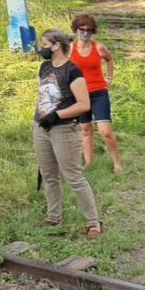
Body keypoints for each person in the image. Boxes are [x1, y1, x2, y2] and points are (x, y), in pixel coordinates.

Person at [33, 28, 102, 237]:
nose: (41, 49)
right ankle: (54, 215)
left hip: (64, 129)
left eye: (45, 45)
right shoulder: (44, 67)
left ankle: (94, 222)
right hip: (41, 127)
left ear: (56, 46)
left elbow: (83, 104)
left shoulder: (73, 71)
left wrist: (57, 115)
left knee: (73, 176)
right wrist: (42, 118)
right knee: (48, 175)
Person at [69, 12, 123, 173]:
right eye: (82, 29)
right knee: (85, 129)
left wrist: (110, 76)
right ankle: (89, 162)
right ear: (76, 30)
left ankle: (117, 162)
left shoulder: (98, 47)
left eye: (89, 30)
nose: (85, 33)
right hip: (79, 96)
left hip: (98, 92)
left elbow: (109, 59)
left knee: (105, 131)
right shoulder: (70, 49)